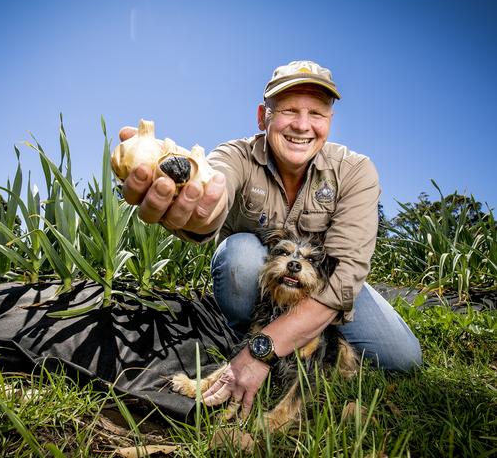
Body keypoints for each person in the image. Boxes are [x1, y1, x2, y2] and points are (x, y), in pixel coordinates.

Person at [118, 60, 422, 419]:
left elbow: (345, 276)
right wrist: (197, 205)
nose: (302, 125)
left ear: (329, 122)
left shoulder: (356, 171)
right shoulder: (235, 156)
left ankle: (274, 345)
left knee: (404, 359)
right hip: (265, 290)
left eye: (316, 113)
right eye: (289, 111)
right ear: (263, 116)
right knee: (241, 254)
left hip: (329, 289)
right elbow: (214, 191)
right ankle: (255, 333)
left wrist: (261, 350)